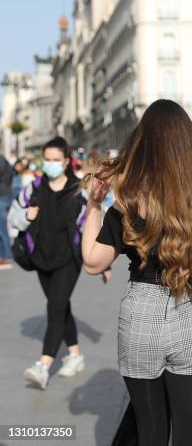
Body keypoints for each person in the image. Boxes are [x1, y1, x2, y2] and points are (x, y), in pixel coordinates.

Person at [81, 99, 192, 446]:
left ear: (142, 146)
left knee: (150, 432)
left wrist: (94, 205)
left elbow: (93, 262)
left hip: (140, 314)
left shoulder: (129, 200)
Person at [14, 137, 88, 389]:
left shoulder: (79, 190)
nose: (51, 164)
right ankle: (75, 355)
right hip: (41, 258)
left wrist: (104, 263)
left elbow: (90, 226)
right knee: (60, 305)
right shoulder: (33, 187)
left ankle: (43, 367)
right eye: (47, 159)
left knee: (55, 308)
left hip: (69, 259)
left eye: (56, 160)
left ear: (66, 161)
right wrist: (26, 215)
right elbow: (13, 217)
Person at [0, 154, 15, 269]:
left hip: (2, 197)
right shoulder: (4, 160)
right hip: (5, 195)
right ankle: (4, 255)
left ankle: (6, 255)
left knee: (2, 229)